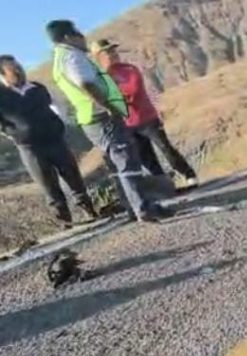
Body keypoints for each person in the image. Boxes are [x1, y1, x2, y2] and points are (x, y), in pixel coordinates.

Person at [47, 20, 170, 222]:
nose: (83, 37)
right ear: (68, 37)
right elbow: (86, 84)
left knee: (117, 164)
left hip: (91, 117)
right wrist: (109, 107)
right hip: (101, 115)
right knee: (127, 160)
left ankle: (134, 208)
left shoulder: (60, 60)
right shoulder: (72, 57)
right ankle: (144, 207)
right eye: (78, 33)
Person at [0, 55, 97, 227]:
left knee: (72, 174)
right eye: (13, 70)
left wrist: (58, 123)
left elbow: (56, 105)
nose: (19, 71)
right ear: (2, 75)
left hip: (55, 139)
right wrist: (15, 134)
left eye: (19, 67)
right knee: (47, 182)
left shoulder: (37, 88)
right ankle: (65, 220)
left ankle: (89, 210)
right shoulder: (2, 97)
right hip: (29, 147)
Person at [93, 39, 199, 190]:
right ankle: (166, 186)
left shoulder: (129, 69)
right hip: (127, 124)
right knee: (147, 158)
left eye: (113, 51)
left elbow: (133, 90)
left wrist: (114, 98)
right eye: (108, 52)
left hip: (147, 118)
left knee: (166, 149)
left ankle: (189, 175)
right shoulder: (100, 78)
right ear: (99, 57)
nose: (113, 54)